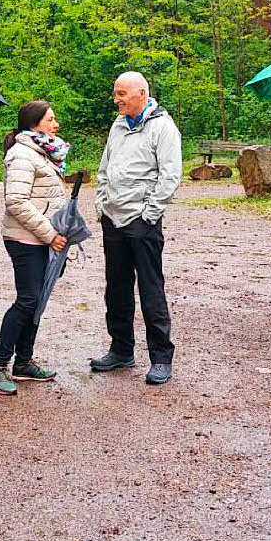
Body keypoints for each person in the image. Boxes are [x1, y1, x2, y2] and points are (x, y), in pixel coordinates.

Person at [91, 71, 182, 385]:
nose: (115, 100)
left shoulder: (162, 128)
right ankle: (121, 349)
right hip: (113, 220)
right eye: (115, 93)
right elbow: (104, 169)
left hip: (142, 223)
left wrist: (149, 215)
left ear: (141, 94)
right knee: (115, 288)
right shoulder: (118, 126)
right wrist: (102, 204)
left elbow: (170, 177)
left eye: (121, 94)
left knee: (150, 289)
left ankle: (160, 358)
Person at [0, 101, 68, 395]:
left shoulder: (44, 152)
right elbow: (17, 202)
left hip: (44, 239)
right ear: (35, 124)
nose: (56, 125)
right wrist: (49, 235)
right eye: (51, 119)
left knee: (37, 300)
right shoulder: (22, 154)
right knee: (28, 300)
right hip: (26, 239)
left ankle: (23, 361)